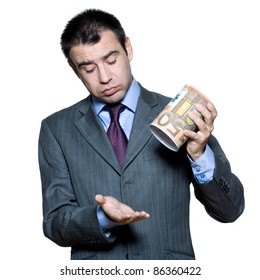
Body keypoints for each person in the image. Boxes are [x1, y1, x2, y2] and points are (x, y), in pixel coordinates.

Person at [38, 8, 245, 260]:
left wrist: (200, 155)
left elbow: (230, 211)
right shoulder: (56, 128)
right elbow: (55, 222)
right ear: (74, 69)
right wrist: (102, 217)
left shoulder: (180, 115)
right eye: (88, 68)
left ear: (128, 48)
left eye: (111, 60)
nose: (104, 77)